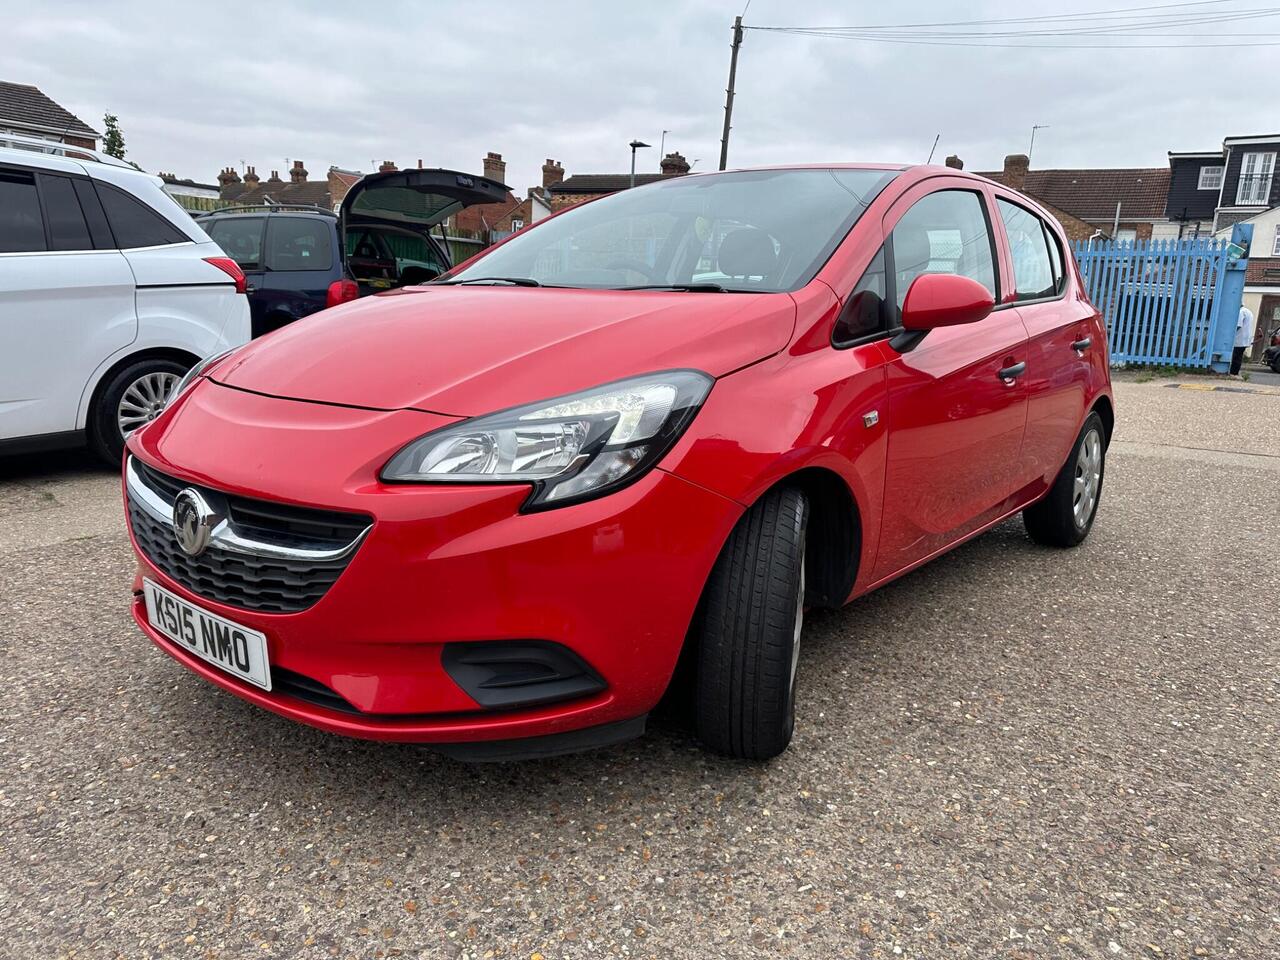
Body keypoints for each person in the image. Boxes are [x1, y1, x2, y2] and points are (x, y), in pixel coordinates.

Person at [1232, 303, 1256, 375]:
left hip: (1239, 338)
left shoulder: (1240, 312)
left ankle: (1233, 372)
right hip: (1246, 339)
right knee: (1239, 357)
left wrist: (1230, 334)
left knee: (1234, 357)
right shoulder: (1249, 312)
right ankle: (1235, 372)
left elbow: (1238, 325)